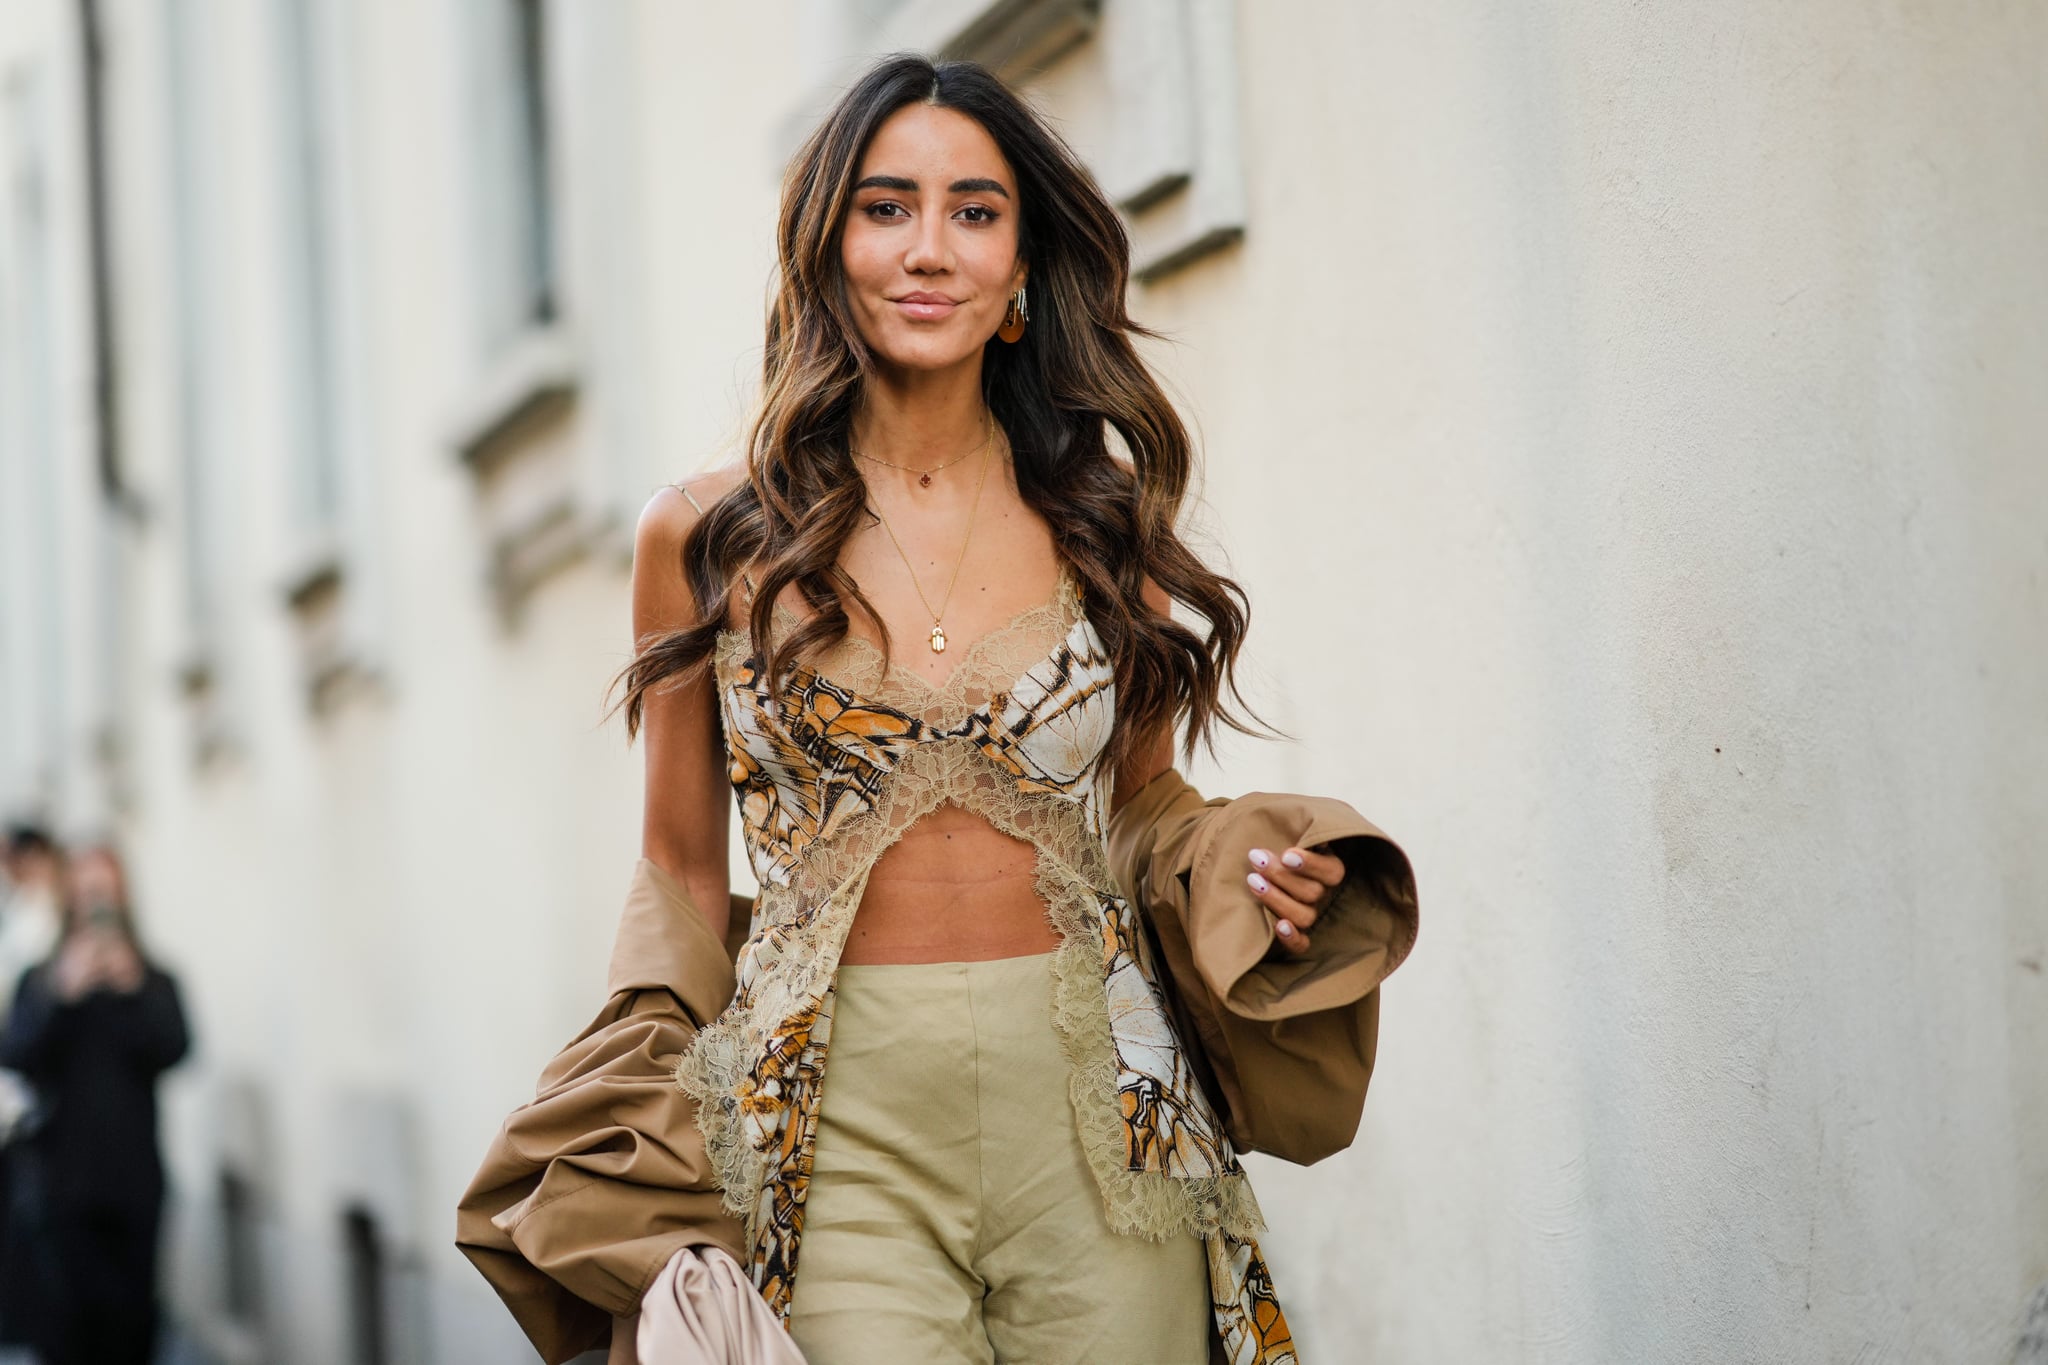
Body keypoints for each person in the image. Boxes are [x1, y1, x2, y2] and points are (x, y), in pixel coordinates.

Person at [459, 55, 1419, 1365]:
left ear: (1022, 263)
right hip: (835, 1134)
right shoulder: (705, 536)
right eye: (885, 206)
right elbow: (681, 873)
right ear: (826, 246)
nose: (930, 249)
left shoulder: (1101, 517)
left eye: (975, 210)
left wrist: (1250, 870)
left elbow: (1143, 810)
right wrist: (639, 1118)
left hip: (1104, 1120)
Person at [0, 844, 190, 1365]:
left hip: (134, 1182)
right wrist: (61, 993)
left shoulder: (152, 979)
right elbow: (16, 1053)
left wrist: (133, 987)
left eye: (103, 894)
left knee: (132, 1327)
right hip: (61, 1186)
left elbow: (176, 1048)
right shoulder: (40, 982)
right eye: (83, 894)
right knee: (67, 1330)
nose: (93, 906)